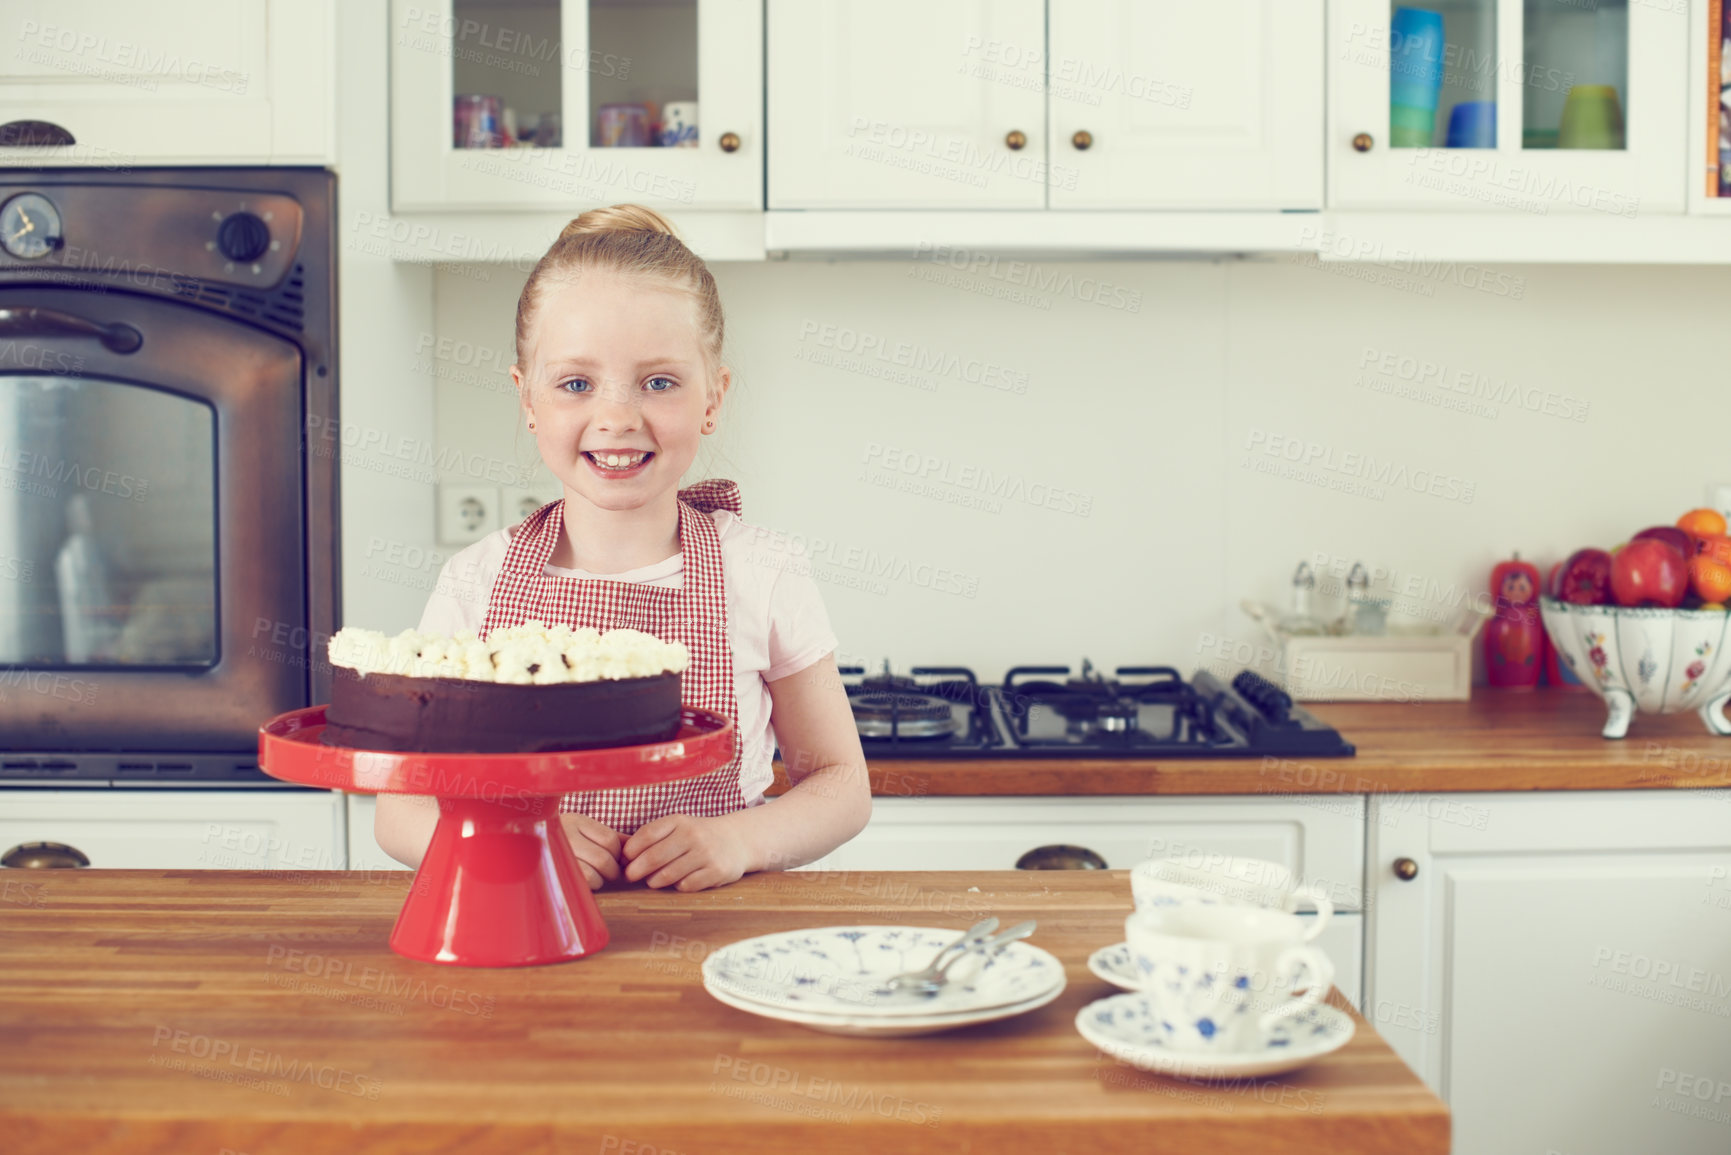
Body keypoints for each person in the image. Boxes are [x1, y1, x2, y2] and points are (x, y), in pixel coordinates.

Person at [374, 204, 871, 891]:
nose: (616, 417)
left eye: (659, 382)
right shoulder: (475, 581)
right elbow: (401, 805)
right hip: (524, 933)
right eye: (575, 383)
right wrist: (519, 841)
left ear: (712, 397)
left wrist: (741, 839)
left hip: (717, 941)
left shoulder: (763, 571)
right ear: (527, 399)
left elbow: (841, 783)